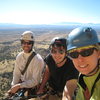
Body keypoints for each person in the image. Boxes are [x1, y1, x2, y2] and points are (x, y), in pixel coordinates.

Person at [7, 31, 44, 99]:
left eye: (29, 43)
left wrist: (18, 86)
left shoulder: (38, 59)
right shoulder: (19, 56)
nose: (26, 45)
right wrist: (13, 87)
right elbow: (16, 74)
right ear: (21, 43)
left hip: (32, 89)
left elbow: (35, 81)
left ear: (32, 44)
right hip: (21, 87)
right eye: (24, 42)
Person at [66, 27, 100, 100]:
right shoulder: (82, 77)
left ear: (98, 53)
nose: (80, 59)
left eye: (86, 52)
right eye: (74, 54)